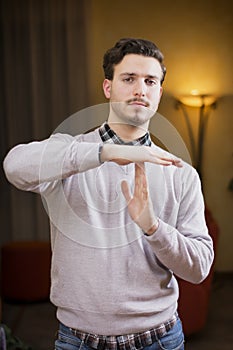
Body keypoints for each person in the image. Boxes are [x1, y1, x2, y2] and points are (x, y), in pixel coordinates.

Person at [3, 38, 214, 350]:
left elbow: (198, 268)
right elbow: (14, 165)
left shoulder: (180, 173)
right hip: (78, 341)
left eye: (150, 81)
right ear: (108, 87)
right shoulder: (68, 155)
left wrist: (153, 227)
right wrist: (102, 153)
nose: (140, 89)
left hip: (160, 340)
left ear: (158, 93)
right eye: (128, 79)